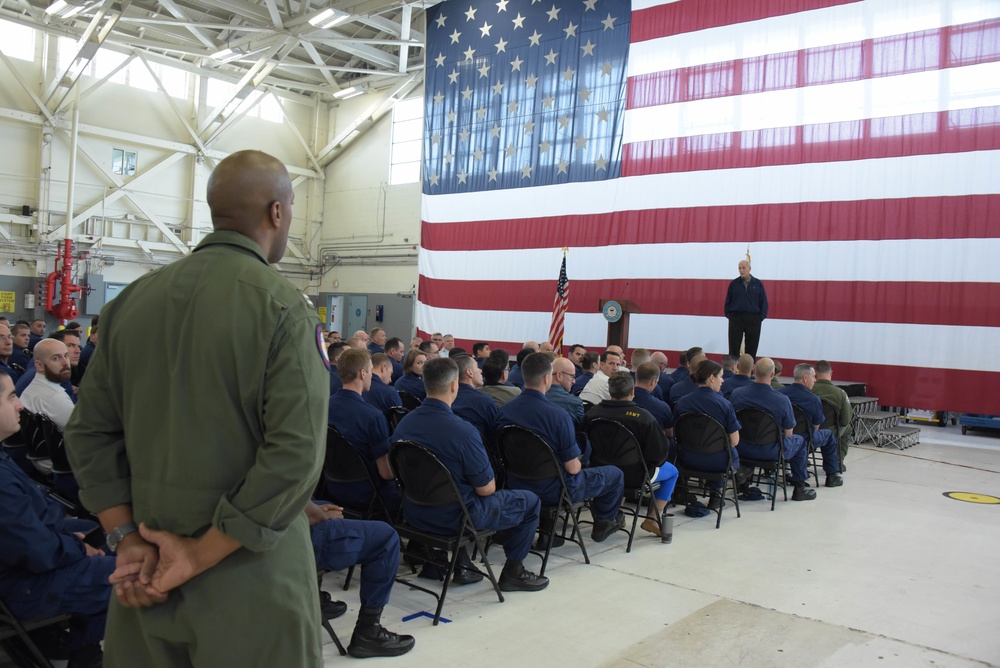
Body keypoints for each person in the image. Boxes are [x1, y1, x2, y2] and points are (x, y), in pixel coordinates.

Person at [65, 150, 332, 666]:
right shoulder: (282, 307)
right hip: (250, 582)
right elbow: (295, 456)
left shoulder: (129, 303)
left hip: (144, 574)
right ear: (277, 213)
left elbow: (88, 434)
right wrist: (194, 555)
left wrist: (124, 539)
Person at [390, 357, 549, 592]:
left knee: (456, 489)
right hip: (456, 518)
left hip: (414, 511)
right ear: (454, 385)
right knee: (530, 502)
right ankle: (514, 572)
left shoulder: (404, 423)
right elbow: (486, 489)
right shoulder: (463, 431)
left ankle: (447, 565)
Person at [0, 369, 112, 668]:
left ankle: (74, 644)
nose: (20, 405)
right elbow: (32, 547)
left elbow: (26, 527)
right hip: (18, 583)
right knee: (125, 572)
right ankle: (87, 655)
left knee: (101, 532)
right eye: (11, 397)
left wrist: (64, 539)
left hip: (20, 563)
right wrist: (74, 547)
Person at [498, 353, 626, 543]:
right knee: (614, 474)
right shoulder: (558, 415)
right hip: (555, 488)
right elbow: (573, 469)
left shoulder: (504, 411)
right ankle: (604, 521)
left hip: (515, 482)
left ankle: (549, 535)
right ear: (547, 378)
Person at [585, 372, 679, 536]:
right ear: (632, 392)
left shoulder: (591, 414)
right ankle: (652, 519)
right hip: (634, 476)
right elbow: (659, 456)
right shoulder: (643, 418)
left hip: (600, 471)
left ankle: (615, 512)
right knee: (672, 472)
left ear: (610, 390)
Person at [729, 358, 816, 501]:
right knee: (800, 441)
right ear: (772, 374)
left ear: (754, 371)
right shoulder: (782, 400)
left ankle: (744, 484)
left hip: (741, 447)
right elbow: (789, 434)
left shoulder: (737, 394)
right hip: (771, 451)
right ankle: (799, 488)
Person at [327, 349, 401, 513]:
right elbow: (386, 473)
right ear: (362, 373)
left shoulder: (324, 407)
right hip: (367, 495)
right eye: (369, 371)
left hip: (330, 486)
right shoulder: (373, 417)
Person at [674, 360, 742, 511]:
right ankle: (715, 495)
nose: (723, 380)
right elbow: (735, 440)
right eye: (721, 377)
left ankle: (681, 489)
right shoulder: (724, 404)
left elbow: (676, 433)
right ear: (712, 378)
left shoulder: (683, 403)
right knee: (729, 450)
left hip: (686, 458)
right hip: (717, 462)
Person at [779, 364, 843, 487]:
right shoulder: (813, 399)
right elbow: (816, 426)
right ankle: (832, 476)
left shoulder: (780, 394)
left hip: (782, 437)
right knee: (828, 435)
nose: (815, 380)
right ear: (805, 378)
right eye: (813, 377)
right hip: (805, 438)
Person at [811, 360, 853, 472]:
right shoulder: (840, 394)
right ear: (831, 372)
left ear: (815, 372)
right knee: (848, 429)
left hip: (807, 430)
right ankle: (838, 461)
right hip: (830, 431)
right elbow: (846, 419)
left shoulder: (808, 390)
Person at [450, 354, 499, 444]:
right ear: (470, 372)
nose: (480, 371)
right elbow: (495, 437)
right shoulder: (485, 402)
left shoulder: (445, 398)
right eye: (477, 367)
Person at [725, 259, 768, 358]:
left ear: (749, 268)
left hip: (753, 319)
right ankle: (733, 371)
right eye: (739, 268)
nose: (741, 270)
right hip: (736, 319)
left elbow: (763, 302)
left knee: (751, 350)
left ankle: (749, 371)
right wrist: (730, 316)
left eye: (744, 268)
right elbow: (728, 302)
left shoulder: (758, 284)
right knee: (733, 349)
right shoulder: (734, 284)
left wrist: (760, 317)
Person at [546, 356, 584, 425]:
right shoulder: (574, 403)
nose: (574, 381)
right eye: (572, 376)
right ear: (559, 375)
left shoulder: (536, 398)